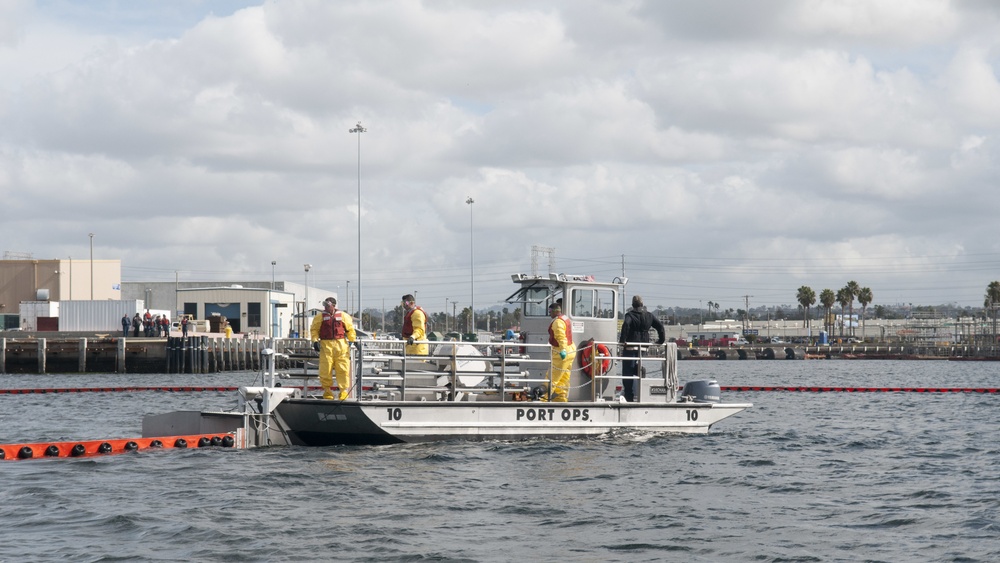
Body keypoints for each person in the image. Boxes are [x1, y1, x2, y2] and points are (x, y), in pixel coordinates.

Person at [618, 295, 665, 402]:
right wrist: (660, 341)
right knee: (635, 365)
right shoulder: (649, 316)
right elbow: (660, 327)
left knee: (627, 371)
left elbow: (626, 325)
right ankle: (640, 371)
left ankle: (629, 396)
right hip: (643, 347)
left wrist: (622, 340)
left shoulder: (629, 315)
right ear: (642, 304)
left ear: (632, 305)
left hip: (630, 346)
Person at [310, 297, 357, 400]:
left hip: (341, 346)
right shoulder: (320, 317)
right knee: (325, 369)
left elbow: (350, 329)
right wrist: (315, 341)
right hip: (326, 346)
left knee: (343, 369)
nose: (325, 307)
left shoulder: (344, 316)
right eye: (325, 305)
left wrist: (352, 340)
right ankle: (327, 391)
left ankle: (343, 391)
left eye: (327, 305)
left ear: (333, 305)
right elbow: (314, 330)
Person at [546, 301, 576, 402]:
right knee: (564, 376)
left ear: (555, 312)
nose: (549, 313)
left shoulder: (557, 322)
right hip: (571, 350)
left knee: (552, 376)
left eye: (550, 311)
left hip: (562, 352)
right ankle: (561, 397)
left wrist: (563, 350)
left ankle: (543, 397)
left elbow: (561, 337)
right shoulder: (565, 318)